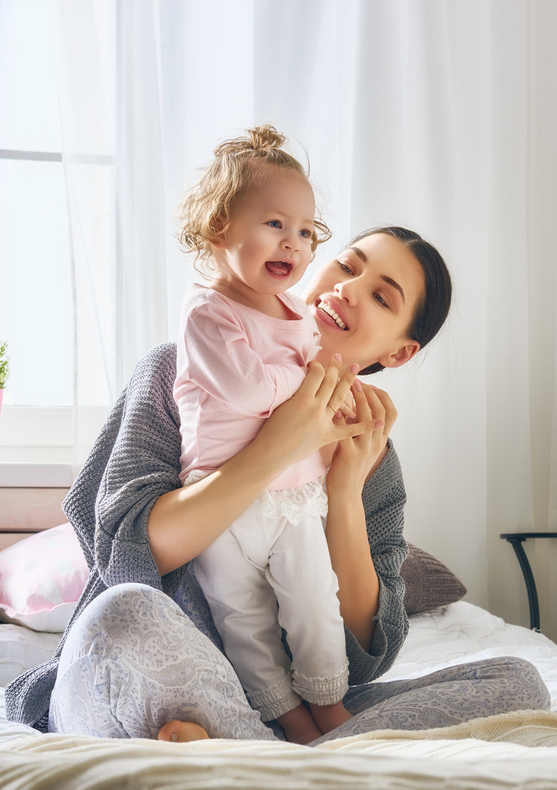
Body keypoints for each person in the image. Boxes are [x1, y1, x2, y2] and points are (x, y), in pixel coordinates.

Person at [5, 222, 550, 744]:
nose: (348, 289)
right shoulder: (180, 370)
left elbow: (364, 650)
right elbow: (130, 555)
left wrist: (344, 492)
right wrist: (277, 448)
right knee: (118, 617)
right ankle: (306, 750)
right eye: (346, 265)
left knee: (518, 682)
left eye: (382, 297)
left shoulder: (371, 452)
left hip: (306, 707)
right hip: (155, 666)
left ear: (399, 352)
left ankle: (253, 748)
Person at [171, 125, 352, 744]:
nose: (294, 244)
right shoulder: (207, 312)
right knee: (241, 620)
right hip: (221, 503)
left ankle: (329, 705)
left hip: (295, 495)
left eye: (306, 232)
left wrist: (314, 385)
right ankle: (287, 717)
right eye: (275, 224)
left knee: (313, 604)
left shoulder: (300, 315)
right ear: (220, 228)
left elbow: (318, 389)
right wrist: (304, 381)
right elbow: (249, 390)